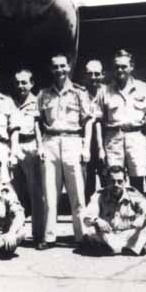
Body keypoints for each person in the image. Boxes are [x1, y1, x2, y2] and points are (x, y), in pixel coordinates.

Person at [36, 53, 94, 250]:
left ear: (68, 67)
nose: (59, 70)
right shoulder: (44, 94)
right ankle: (49, 236)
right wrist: (40, 146)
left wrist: (86, 146)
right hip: (50, 141)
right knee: (50, 192)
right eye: (55, 67)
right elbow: (38, 122)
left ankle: (82, 235)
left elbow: (88, 121)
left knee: (77, 191)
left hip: (72, 141)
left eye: (62, 66)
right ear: (51, 70)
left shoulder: (79, 93)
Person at [99, 49, 146, 193]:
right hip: (113, 138)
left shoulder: (143, 88)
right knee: (114, 180)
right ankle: (115, 215)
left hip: (136, 138)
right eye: (117, 67)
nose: (120, 70)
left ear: (131, 66)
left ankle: (135, 213)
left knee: (137, 181)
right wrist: (101, 148)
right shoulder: (105, 91)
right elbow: (98, 121)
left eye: (124, 66)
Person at [81, 165, 146, 256]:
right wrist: (97, 220)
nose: (116, 185)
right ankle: (131, 247)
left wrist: (143, 217)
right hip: (109, 235)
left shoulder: (133, 195)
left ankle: (131, 248)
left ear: (125, 182)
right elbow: (87, 217)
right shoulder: (100, 195)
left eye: (120, 181)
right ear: (107, 181)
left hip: (130, 235)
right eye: (112, 181)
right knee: (91, 230)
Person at [11, 68, 45, 244]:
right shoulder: (11, 102)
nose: (20, 86)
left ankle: (39, 234)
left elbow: (39, 126)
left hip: (31, 145)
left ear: (31, 84)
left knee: (35, 192)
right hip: (15, 146)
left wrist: (40, 147)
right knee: (14, 192)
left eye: (24, 82)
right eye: (17, 82)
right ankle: (15, 233)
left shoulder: (37, 101)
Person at [82, 60, 106, 201]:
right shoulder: (79, 93)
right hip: (86, 142)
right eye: (89, 74)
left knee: (106, 176)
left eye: (96, 74)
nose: (93, 77)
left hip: (105, 140)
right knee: (87, 179)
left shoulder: (108, 92)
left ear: (102, 75)